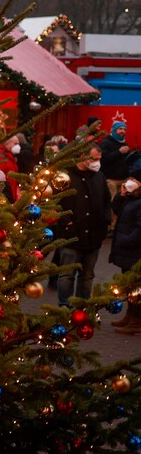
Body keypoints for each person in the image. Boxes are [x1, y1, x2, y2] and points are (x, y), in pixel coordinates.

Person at [55, 145, 110, 307]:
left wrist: (105, 220)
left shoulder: (99, 177)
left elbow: (106, 200)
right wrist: (67, 221)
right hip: (71, 234)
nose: (97, 162)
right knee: (66, 275)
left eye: (99, 159)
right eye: (93, 159)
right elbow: (56, 201)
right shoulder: (65, 177)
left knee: (87, 275)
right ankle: (64, 306)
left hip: (94, 234)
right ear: (82, 156)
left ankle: (81, 306)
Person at [110, 166, 141, 334]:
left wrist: (126, 240)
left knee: (136, 288)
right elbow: (116, 209)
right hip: (127, 252)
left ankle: (137, 321)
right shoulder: (131, 197)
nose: (130, 181)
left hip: (135, 251)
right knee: (129, 286)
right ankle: (130, 315)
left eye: (134, 179)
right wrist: (121, 195)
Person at [101, 121, 132, 204]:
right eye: (120, 129)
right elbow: (104, 159)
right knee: (113, 203)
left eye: (124, 129)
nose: (123, 131)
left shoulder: (123, 143)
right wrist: (119, 152)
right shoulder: (105, 143)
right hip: (111, 180)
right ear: (114, 130)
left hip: (124, 179)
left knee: (123, 203)